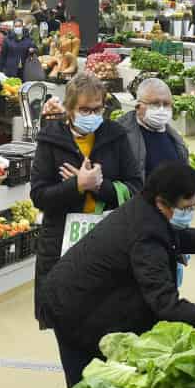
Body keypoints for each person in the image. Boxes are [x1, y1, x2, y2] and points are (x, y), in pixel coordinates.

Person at [40, 162, 195, 386]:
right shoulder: (146, 235)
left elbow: (170, 236)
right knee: (88, 387)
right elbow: (164, 302)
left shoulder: (145, 207)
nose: (189, 213)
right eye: (186, 208)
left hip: (80, 296)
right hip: (74, 309)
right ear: (162, 201)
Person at [31, 71, 143, 301]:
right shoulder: (50, 139)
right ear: (70, 109)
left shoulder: (116, 136)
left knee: (103, 306)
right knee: (64, 308)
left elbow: (135, 188)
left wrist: (99, 186)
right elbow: (39, 196)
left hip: (107, 237)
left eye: (97, 109)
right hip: (61, 242)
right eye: (84, 110)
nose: (92, 115)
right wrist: (77, 185)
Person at [118, 77, 189, 183]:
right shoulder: (121, 135)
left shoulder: (175, 137)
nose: (161, 109)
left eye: (166, 104)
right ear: (138, 106)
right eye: (155, 104)